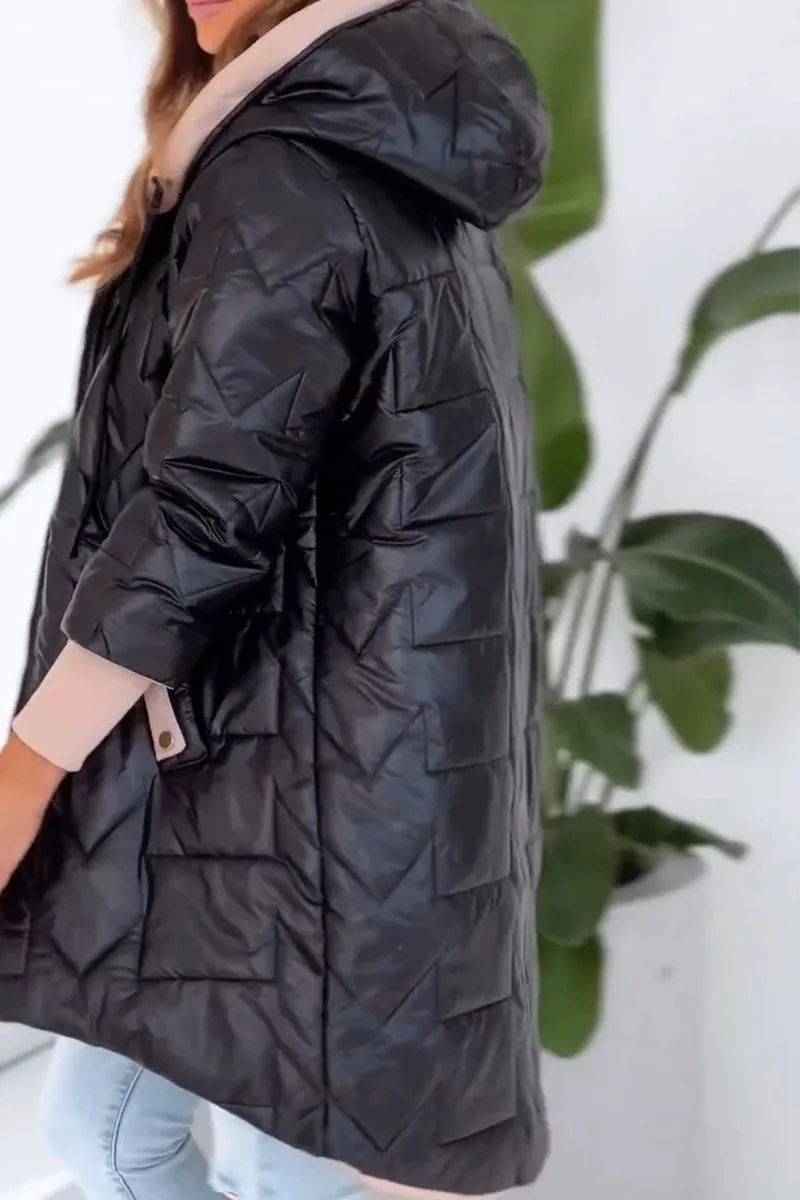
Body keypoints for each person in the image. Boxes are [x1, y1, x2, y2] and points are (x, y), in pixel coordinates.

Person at [0, 0, 549, 1197]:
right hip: (339, 762)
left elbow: (201, 511)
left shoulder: (284, 174)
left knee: (268, 1154)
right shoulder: (400, 152)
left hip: (294, 774)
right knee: (108, 1129)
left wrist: (25, 770)